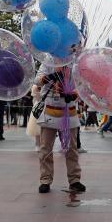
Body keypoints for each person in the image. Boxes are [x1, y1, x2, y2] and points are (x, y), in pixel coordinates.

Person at [34, 65, 85, 194]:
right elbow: (37, 80)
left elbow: (82, 84)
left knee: (71, 148)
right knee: (45, 148)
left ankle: (74, 180)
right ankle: (45, 180)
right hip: (50, 109)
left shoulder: (75, 64)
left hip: (69, 110)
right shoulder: (48, 62)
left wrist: (75, 95)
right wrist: (50, 77)